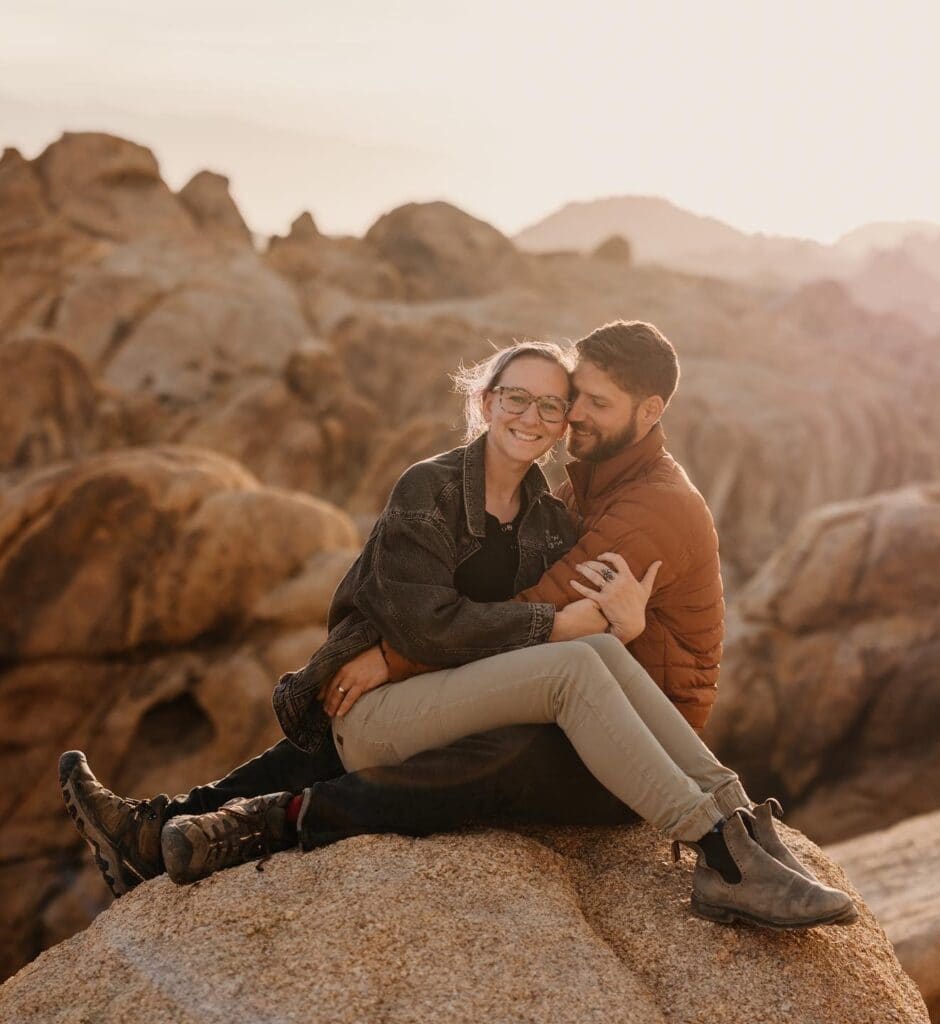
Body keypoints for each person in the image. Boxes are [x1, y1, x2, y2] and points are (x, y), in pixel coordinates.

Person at [60, 326, 856, 929]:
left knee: (566, 677)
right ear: (487, 403)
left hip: (591, 727)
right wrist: (395, 657)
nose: (560, 415)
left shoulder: (585, 511)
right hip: (409, 699)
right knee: (570, 665)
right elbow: (492, 623)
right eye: (536, 399)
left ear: (646, 414)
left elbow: (530, 620)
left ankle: (733, 834)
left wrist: (606, 623)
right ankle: (725, 842)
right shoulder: (436, 488)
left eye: (569, 403)